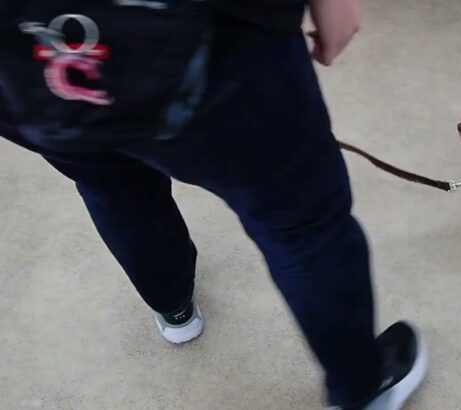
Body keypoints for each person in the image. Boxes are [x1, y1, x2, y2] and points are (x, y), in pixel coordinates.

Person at [0, 0, 427, 408]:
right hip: (203, 37)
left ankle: (175, 307)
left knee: (111, 183)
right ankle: (362, 388)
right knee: (300, 221)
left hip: (24, 59)